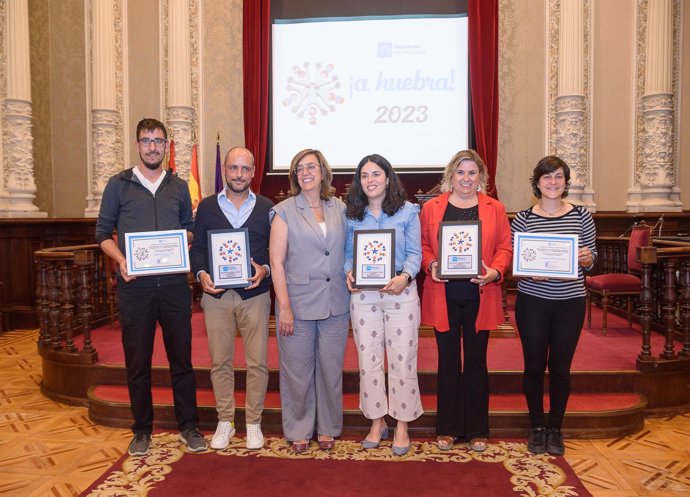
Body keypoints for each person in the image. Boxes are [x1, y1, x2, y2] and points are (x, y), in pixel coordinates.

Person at [95, 118, 207, 456]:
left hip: (174, 286)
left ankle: (189, 427)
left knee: (182, 361)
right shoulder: (119, 184)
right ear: (138, 144)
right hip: (135, 288)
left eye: (159, 140)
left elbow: (190, 230)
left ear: (166, 144)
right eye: (147, 140)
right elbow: (102, 234)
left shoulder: (179, 184)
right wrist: (122, 261)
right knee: (138, 362)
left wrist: (176, 243)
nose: (153, 146)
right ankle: (141, 431)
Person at [420, 149, 512, 452]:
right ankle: (446, 428)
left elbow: (504, 247)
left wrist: (495, 271)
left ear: (481, 177)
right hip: (443, 296)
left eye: (472, 173)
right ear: (451, 176)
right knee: (447, 363)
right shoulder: (432, 208)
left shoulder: (494, 208)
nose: (466, 178)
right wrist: (432, 265)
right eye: (460, 172)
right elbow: (422, 245)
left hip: (480, 295)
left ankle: (476, 429)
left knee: (475, 362)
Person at [511, 156, 597, 456]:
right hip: (532, 302)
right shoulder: (523, 218)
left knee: (560, 368)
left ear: (565, 182)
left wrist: (587, 259)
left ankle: (555, 428)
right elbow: (515, 264)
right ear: (537, 182)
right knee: (534, 366)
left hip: (570, 303)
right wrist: (525, 268)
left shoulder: (582, 216)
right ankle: (536, 427)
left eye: (558, 177)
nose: (552, 182)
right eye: (547, 177)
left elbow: (591, 258)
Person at [189, 146, 273, 450]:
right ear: (225, 170)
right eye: (233, 168)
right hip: (217, 297)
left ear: (253, 172)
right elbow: (197, 249)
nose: (239, 174)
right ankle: (225, 421)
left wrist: (264, 270)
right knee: (220, 361)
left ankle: (253, 423)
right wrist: (201, 275)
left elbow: (274, 254)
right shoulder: (208, 207)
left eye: (245, 169)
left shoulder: (267, 207)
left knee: (257, 363)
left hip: (256, 295)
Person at [269, 148, 350, 453]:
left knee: (330, 369)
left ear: (323, 172)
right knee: (297, 371)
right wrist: (284, 307)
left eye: (311, 167)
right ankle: (300, 428)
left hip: (336, 303)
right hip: (297, 304)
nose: (305, 172)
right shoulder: (284, 211)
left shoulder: (340, 208)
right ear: (294, 175)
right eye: (299, 168)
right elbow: (276, 263)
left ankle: (328, 426)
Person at [344, 154, 423, 456]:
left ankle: (402, 423)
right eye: (364, 175)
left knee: (402, 360)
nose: (370, 180)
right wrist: (348, 271)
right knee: (369, 361)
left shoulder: (407, 212)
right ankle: (377, 421)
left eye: (376, 174)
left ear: (388, 178)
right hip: (364, 297)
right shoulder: (353, 214)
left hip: (400, 295)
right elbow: (347, 255)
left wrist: (405, 276)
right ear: (359, 181)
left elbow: (415, 254)